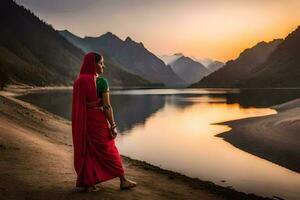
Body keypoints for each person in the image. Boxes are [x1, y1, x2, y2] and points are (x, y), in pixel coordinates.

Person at [72, 52, 137, 192]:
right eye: (101, 63)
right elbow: (107, 107)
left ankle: (89, 184)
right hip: (97, 121)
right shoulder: (101, 82)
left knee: (88, 151)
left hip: (83, 121)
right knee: (109, 149)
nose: (104, 66)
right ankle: (123, 180)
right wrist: (113, 125)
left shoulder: (78, 82)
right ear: (93, 64)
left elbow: (79, 105)